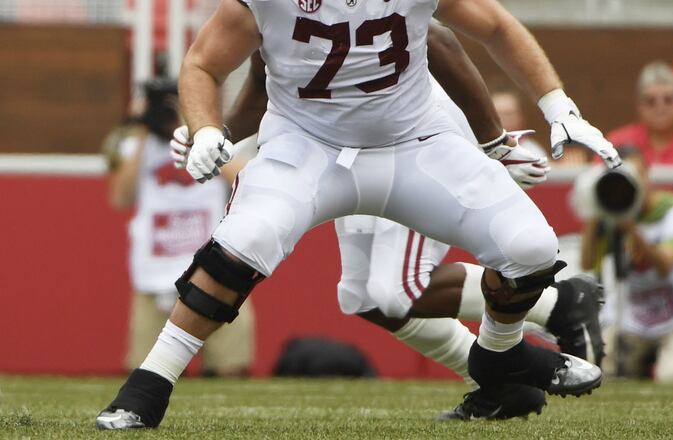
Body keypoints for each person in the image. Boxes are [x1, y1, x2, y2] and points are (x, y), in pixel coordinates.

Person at [97, 0, 621, 429]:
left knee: (530, 246)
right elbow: (207, 64)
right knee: (248, 243)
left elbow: (491, 29)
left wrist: (555, 109)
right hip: (308, 145)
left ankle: (500, 355)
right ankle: (148, 386)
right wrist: (211, 128)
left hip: (415, 141)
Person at [103, 79, 256, 378]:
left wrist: (196, 133)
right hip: (153, 275)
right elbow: (120, 196)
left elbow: (244, 179)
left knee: (231, 369)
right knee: (148, 372)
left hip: (214, 270)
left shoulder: (212, 141)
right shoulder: (135, 144)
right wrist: (145, 129)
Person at [576, 147, 673, 383]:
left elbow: (665, 265)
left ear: (647, 175)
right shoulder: (610, 213)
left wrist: (630, 227)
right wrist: (595, 210)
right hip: (635, 316)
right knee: (593, 361)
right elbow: (587, 262)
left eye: (635, 175)